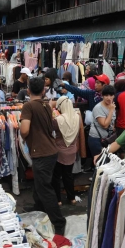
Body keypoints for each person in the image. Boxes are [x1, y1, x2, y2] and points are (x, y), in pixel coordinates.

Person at [20, 76, 66, 235]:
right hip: (50, 150)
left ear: (28, 90)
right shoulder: (46, 105)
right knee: (41, 184)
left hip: (41, 152)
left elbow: (25, 130)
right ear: (44, 90)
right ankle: (38, 208)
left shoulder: (28, 106)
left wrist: (21, 130)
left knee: (45, 188)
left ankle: (59, 222)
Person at [51, 96, 81, 206]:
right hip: (72, 151)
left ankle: (58, 200)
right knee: (68, 175)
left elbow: (50, 130)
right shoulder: (78, 117)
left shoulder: (57, 120)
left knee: (56, 176)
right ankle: (71, 198)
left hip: (59, 151)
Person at [88, 85, 116, 160]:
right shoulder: (98, 108)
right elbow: (104, 125)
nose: (109, 98)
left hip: (107, 139)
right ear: (102, 96)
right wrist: (111, 111)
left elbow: (112, 122)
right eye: (106, 95)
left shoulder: (112, 106)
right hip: (96, 139)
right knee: (99, 162)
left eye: (111, 95)